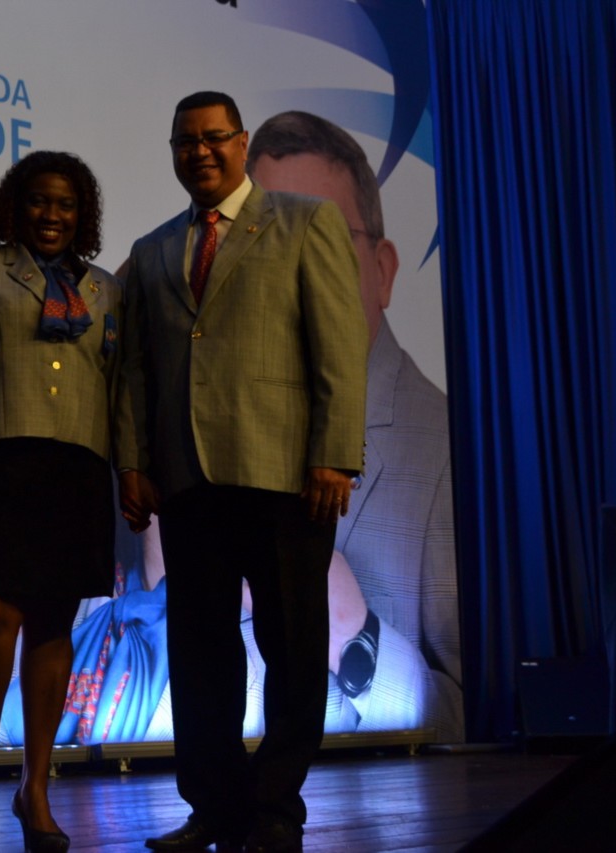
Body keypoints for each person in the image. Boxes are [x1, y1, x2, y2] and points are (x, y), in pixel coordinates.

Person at [123, 92, 367, 853]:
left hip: (288, 475)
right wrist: (133, 462)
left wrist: (334, 454)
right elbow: (135, 371)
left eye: (214, 137)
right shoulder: (154, 249)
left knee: (293, 647)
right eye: (184, 141)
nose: (199, 151)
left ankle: (275, 807)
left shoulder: (305, 221)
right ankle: (215, 807)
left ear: (241, 141)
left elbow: (338, 345)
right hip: (187, 481)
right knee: (200, 656)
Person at [0, 150, 144, 853]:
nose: (52, 214)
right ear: (16, 205)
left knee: (51, 625)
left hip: (78, 471)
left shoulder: (106, 290)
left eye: (66, 204)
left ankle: (35, 786)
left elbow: (124, 389)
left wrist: (132, 468)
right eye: (40, 200)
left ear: (83, 215)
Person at [246, 110, 464, 744]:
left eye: (324, 240)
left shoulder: (452, 454)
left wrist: (353, 636)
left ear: (383, 271)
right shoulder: (202, 438)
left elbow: (483, 716)